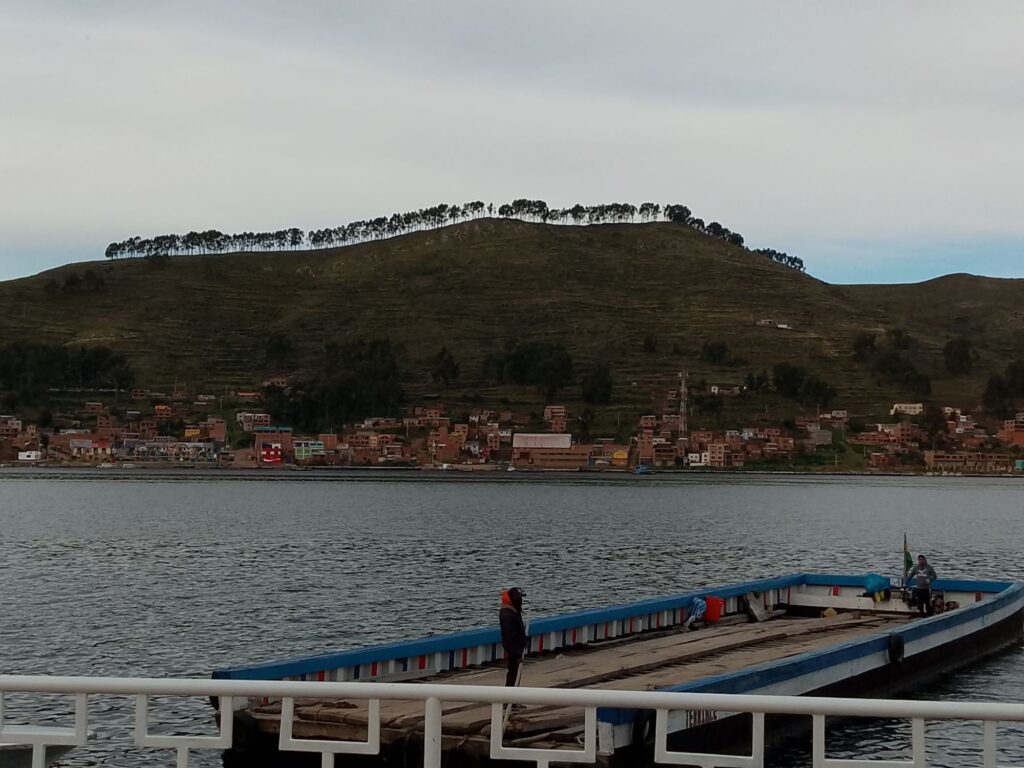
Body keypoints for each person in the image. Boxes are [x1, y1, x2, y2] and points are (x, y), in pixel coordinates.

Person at [499, 587, 527, 687]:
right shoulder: (507, 615)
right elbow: (510, 638)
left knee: (514, 674)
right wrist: (517, 654)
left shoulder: (514, 611)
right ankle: (509, 695)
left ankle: (512, 694)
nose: (520, 600)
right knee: (513, 674)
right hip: (514, 651)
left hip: (517, 649)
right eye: (518, 598)